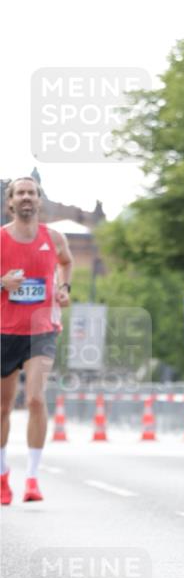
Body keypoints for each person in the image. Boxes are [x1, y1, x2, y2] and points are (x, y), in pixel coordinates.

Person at [1, 176, 73, 505]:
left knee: (35, 400)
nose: (26, 197)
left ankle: (32, 478)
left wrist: (64, 288)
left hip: (41, 330)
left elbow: (67, 262)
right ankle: (3, 476)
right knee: (3, 406)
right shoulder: (1, 239)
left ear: (39, 200)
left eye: (32, 192)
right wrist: (3, 283)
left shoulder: (54, 237)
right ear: (11, 202)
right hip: (5, 331)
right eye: (20, 193)